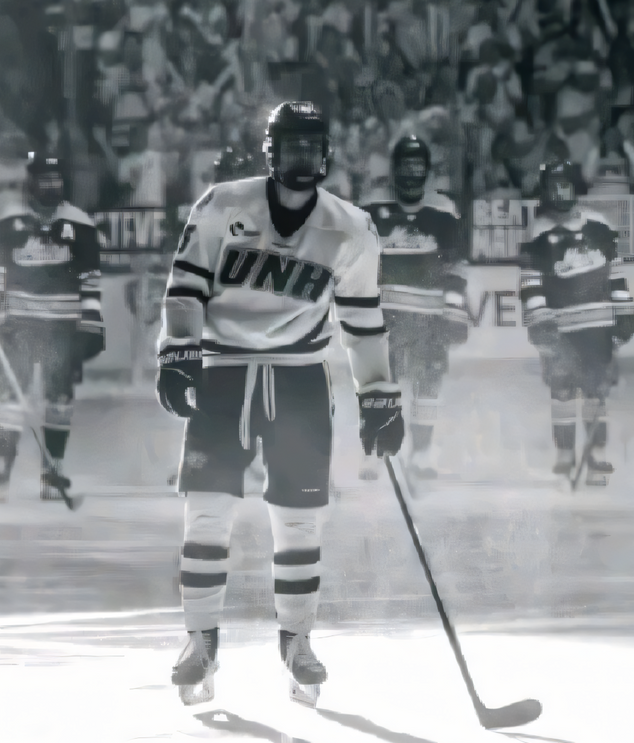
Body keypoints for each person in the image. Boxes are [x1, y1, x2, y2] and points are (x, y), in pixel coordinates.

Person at [156, 100, 404, 709]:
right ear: (270, 152)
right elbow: (184, 286)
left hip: (299, 378)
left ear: (325, 154)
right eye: (288, 146)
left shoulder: (351, 228)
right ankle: (200, 640)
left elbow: (363, 323)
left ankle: (298, 641)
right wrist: (177, 351)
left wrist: (379, 397)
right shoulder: (221, 205)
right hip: (223, 373)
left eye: (308, 147)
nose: (299, 158)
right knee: (207, 514)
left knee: (298, 519)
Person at [0, 152, 104, 504]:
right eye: (43, 178)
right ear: (29, 182)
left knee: (59, 400)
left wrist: (91, 323)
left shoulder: (80, 224)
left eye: (56, 179)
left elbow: (90, 280)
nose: (50, 185)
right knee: (10, 401)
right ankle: (1, 471)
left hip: (61, 327)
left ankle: (54, 471)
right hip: (17, 324)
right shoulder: (6, 221)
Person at [519, 158, 634, 486]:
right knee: (561, 391)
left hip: (598, 326)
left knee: (595, 393)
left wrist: (625, 312)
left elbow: (615, 276)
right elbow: (530, 282)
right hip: (560, 329)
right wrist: (539, 320)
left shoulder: (599, 224)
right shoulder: (538, 229)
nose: (559, 191)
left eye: (565, 185)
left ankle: (597, 455)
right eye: (553, 187)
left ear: (575, 186)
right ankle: (565, 455)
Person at [363, 133, 469, 482]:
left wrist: (454, 310)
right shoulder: (373, 208)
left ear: (427, 170)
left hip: (429, 318)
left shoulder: (443, 210)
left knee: (428, 386)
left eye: (417, 165)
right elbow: (357, 265)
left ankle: (422, 454)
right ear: (394, 169)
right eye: (405, 165)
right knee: (381, 387)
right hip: (384, 317)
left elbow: (455, 267)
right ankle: (379, 451)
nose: (411, 172)